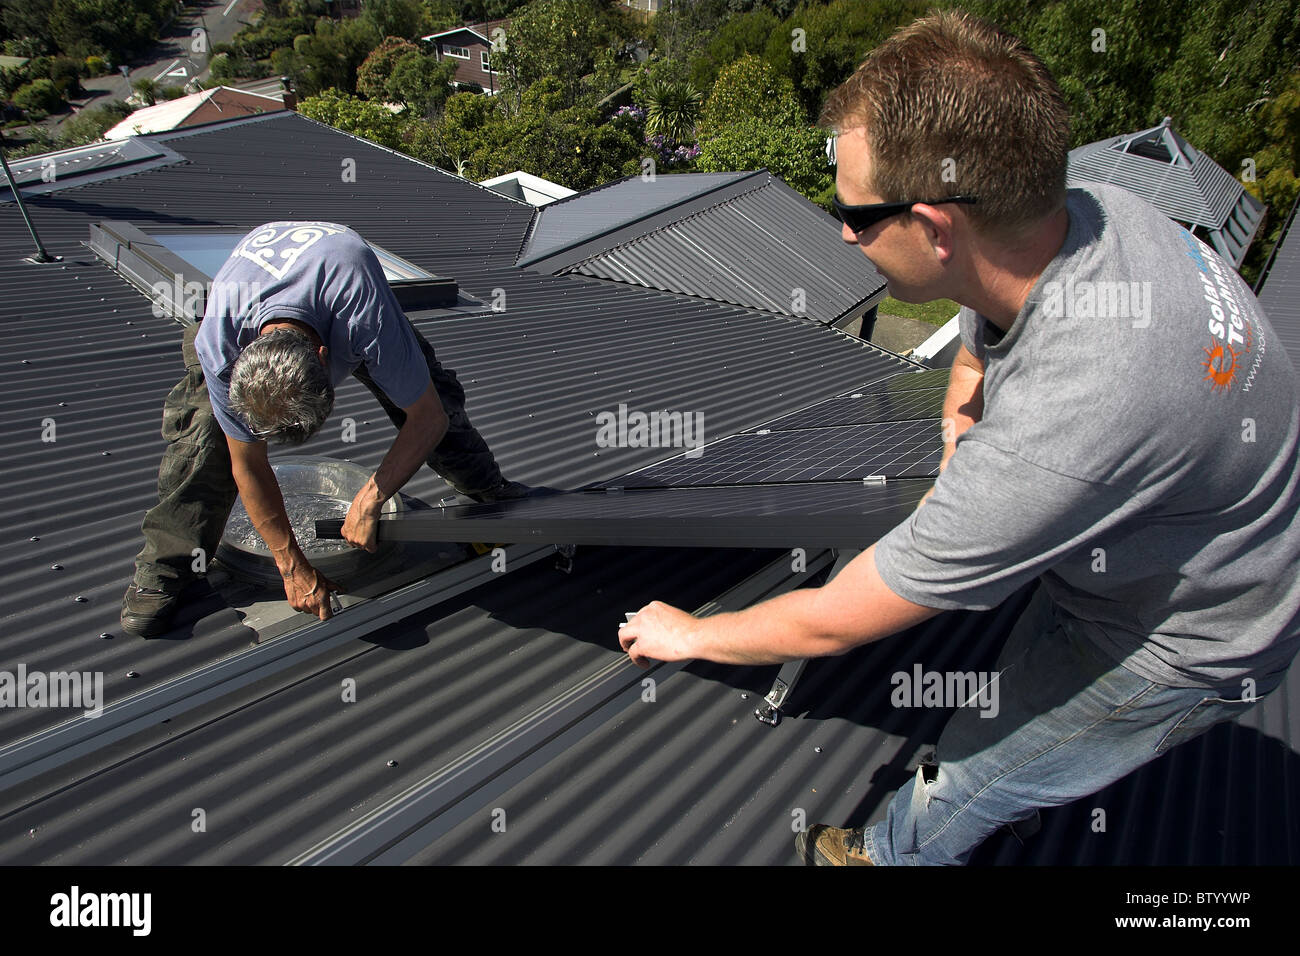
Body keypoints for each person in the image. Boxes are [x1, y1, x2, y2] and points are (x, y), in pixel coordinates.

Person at [617, 10, 1300, 865]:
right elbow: (986, 320)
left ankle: (892, 854)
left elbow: (834, 621)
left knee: (973, 773)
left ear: (937, 229)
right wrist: (953, 432)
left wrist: (692, 634)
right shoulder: (1094, 210)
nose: (842, 232)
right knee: (1009, 686)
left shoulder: (1070, 420)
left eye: (856, 213)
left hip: (1194, 637)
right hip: (1159, 550)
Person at [121, 220, 532, 637]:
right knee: (202, 442)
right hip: (263, 297)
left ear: (326, 357)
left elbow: (428, 418)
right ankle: (166, 564)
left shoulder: (364, 318)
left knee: (435, 396)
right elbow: (248, 465)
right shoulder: (221, 344)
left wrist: (372, 497)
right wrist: (292, 565)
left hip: (338, 282)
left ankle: (489, 490)